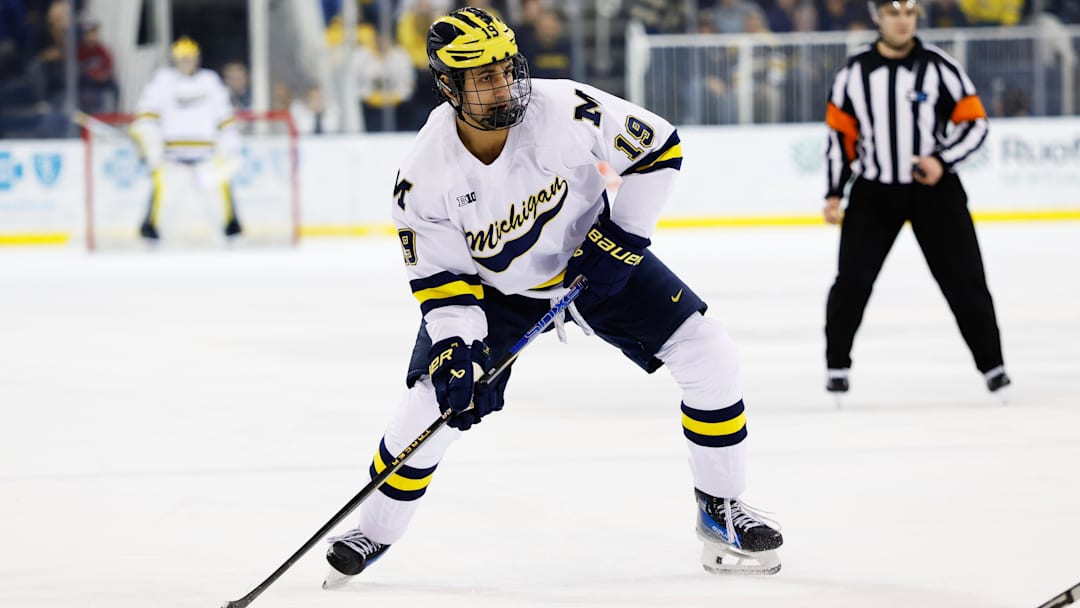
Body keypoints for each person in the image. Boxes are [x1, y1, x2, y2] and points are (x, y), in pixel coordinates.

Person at [322, 7, 783, 588]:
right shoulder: (422, 175)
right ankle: (376, 531)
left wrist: (620, 238)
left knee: (710, 353)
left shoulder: (563, 106)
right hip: (497, 292)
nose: (502, 84)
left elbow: (659, 147)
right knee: (432, 405)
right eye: (481, 77)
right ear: (447, 85)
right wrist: (458, 350)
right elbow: (442, 282)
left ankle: (721, 510)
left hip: (593, 260)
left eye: (505, 68)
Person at [822, 0, 1010, 400]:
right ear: (877, 18)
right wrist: (835, 191)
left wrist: (941, 160)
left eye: (909, 13)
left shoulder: (940, 66)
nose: (902, 21)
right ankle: (837, 365)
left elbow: (975, 123)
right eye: (893, 13)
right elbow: (840, 138)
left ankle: (993, 366)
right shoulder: (854, 73)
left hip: (934, 192)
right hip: (874, 192)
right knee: (852, 282)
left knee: (965, 281)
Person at [130, 36, 243, 242]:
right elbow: (146, 117)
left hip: (206, 155)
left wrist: (230, 145)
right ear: (175, 58)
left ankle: (231, 234)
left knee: (219, 200)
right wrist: (149, 143)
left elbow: (224, 118)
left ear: (196, 57)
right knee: (163, 203)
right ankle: (151, 238)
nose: (186, 62)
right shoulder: (162, 81)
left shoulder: (210, 81)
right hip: (171, 156)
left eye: (189, 58)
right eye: (182, 58)